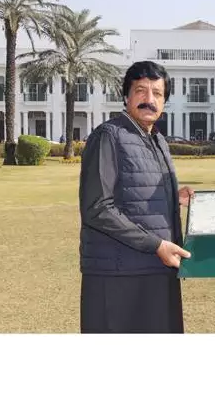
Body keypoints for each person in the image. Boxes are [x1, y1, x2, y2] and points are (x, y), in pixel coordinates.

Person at [78, 60, 194, 333]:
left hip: (158, 270)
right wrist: (155, 244)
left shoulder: (157, 140)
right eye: (141, 90)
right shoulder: (109, 136)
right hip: (119, 274)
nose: (149, 100)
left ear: (164, 102)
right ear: (126, 96)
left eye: (157, 93)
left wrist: (172, 197)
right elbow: (98, 208)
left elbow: (133, 190)